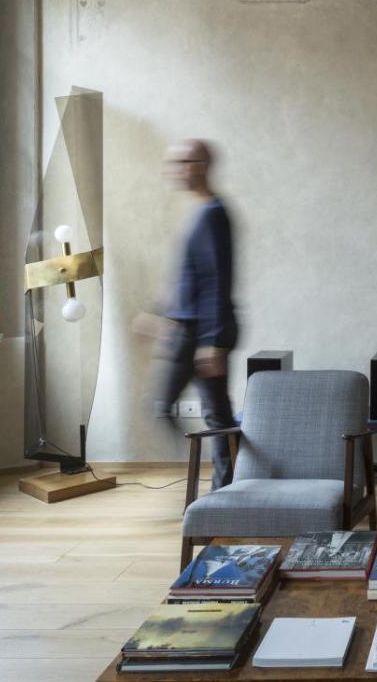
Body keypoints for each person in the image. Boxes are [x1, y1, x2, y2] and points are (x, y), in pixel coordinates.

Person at [143, 139, 239, 491]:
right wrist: (159, 315)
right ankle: (228, 485)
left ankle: (226, 488)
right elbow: (188, 279)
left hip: (201, 333)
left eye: (184, 161)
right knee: (213, 414)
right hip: (187, 328)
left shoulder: (213, 214)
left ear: (202, 165)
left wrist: (212, 342)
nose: (176, 169)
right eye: (174, 162)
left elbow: (216, 281)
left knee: (192, 411)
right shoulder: (200, 212)